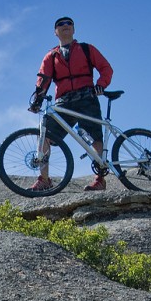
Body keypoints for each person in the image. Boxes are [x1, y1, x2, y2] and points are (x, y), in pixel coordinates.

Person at [28, 16, 113, 191]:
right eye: (60, 24)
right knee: (44, 136)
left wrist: (101, 85)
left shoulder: (86, 49)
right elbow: (43, 79)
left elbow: (106, 68)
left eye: (69, 24)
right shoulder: (51, 56)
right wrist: (38, 99)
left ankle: (100, 180)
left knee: (94, 137)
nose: (65, 26)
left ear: (74, 30)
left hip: (87, 98)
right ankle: (44, 179)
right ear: (55, 32)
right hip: (64, 102)